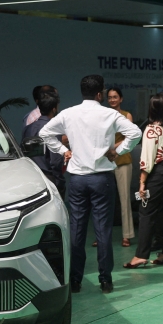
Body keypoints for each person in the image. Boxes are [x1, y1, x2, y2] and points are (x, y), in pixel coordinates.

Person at [39, 75, 141, 294]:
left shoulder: (68, 113)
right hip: (102, 178)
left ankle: (75, 280)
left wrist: (63, 151)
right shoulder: (110, 114)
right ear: (99, 94)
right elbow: (135, 132)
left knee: (77, 230)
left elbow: (44, 133)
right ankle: (106, 280)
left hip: (76, 178)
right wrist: (118, 151)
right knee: (103, 230)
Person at [125, 92, 163, 269]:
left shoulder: (152, 129)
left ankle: (140, 256)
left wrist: (142, 182)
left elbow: (147, 158)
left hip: (161, 172)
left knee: (147, 212)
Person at [107, 88, 136, 248]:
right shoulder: (103, 115)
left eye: (115, 97)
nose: (112, 100)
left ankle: (127, 235)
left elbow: (130, 137)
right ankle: (102, 235)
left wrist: (114, 148)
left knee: (124, 199)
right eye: (110, 97)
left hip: (122, 159)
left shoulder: (127, 116)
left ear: (121, 99)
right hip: (105, 162)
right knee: (103, 202)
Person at [22, 92, 65, 197]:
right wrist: (59, 181)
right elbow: (56, 160)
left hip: (31, 176)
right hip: (49, 178)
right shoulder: (53, 128)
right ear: (54, 109)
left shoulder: (28, 127)